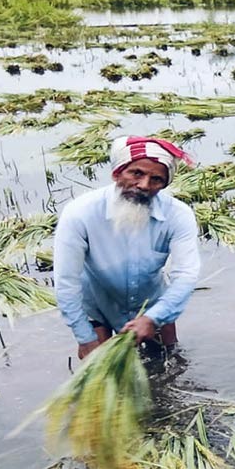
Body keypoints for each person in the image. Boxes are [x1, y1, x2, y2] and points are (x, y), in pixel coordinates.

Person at [53, 136, 200, 360]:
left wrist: (153, 318)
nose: (144, 185)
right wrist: (85, 337)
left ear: (164, 184)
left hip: (152, 304)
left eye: (156, 179)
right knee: (100, 368)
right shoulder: (80, 213)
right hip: (97, 305)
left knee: (170, 360)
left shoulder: (177, 215)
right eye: (136, 173)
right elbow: (66, 282)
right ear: (117, 173)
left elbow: (186, 275)